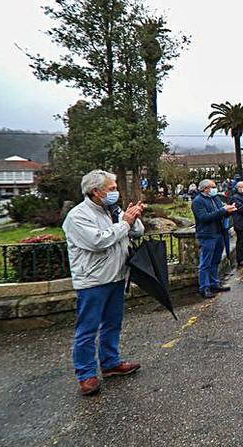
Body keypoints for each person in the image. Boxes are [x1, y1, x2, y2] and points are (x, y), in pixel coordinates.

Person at [62, 170, 145, 396]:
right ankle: (86, 374)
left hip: (116, 276)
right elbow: (99, 241)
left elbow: (135, 233)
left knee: (112, 323)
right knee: (87, 329)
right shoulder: (78, 216)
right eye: (111, 189)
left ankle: (110, 362)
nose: (115, 192)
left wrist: (132, 219)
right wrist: (124, 224)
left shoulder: (112, 210)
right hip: (93, 281)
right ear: (95, 191)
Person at [192, 179, 237, 299]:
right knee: (205, 262)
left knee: (216, 260)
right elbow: (203, 217)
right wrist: (222, 210)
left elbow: (220, 213)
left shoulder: (215, 198)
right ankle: (204, 288)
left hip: (219, 233)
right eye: (212, 187)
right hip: (207, 234)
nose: (214, 189)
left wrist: (228, 211)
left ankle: (214, 283)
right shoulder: (198, 201)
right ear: (205, 188)